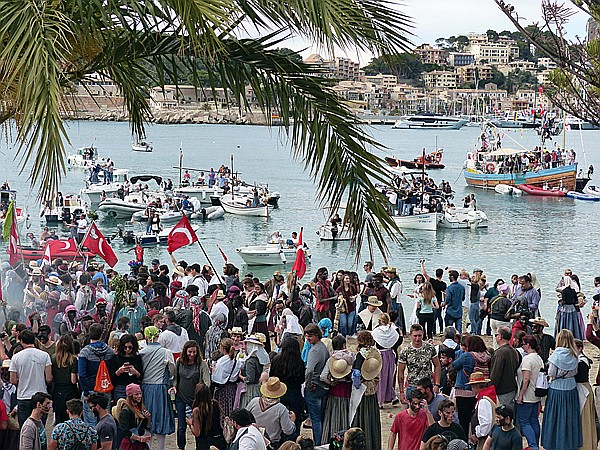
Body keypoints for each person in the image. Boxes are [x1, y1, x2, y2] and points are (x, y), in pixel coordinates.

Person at [541, 329, 582, 450]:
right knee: (569, 417)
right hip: (570, 387)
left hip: (557, 388)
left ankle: (554, 443)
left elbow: (551, 372)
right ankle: (569, 443)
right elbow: (575, 371)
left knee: (555, 416)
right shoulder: (574, 354)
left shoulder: (556, 355)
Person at [139, 326, 176, 450]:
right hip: (160, 388)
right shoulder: (166, 352)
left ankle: (147, 448)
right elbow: (172, 370)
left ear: (146, 336)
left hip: (145, 389)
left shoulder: (141, 352)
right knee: (160, 421)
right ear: (158, 336)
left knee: (146, 421)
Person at [9, 329, 52, 427]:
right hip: (41, 396)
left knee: (25, 428)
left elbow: (12, 380)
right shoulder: (45, 355)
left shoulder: (15, 357)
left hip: (23, 396)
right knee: (40, 428)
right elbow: (49, 378)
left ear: (22, 341)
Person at [175, 340, 210, 450]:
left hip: (195, 400)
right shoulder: (179, 362)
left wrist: (202, 390)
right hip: (181, 397)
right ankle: (181, 447)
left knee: (197, 425)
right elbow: (175, 378)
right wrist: (173, 387)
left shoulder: (201, 364)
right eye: (189, 352)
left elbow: (207, 381)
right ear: (185, 351)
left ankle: (198, 447)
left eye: (194, 352)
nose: (192, 354)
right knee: (181, 426)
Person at [78, 323, 115, 426]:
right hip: (105, 388)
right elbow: (112, 372)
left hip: (90, 389)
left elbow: (82, 374)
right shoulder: (109, 351)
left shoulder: (85, 352)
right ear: (101, 335)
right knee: (105, 418)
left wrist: (85, 392)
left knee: (90, 423)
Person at [351, 331, 382, 450]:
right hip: (372, 387)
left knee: (362, 417)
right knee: (372, 418)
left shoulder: (360, 355)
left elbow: (356, 375)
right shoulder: (374, 353)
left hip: (362, 389)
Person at [269, 336, 305, 438]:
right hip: (295, 393)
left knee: (279, 420)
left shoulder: (276, 360)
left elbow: (272, 377)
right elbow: (302, 379)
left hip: (279, 393)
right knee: (295, 421)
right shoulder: (300, 363)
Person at [397, 324, 441, 404]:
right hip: (413, 386)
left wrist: (437, 384)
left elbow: (437, 365)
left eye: (420, 336)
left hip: (427, 386)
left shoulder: (430, 348)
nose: (417, 339)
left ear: (423, 334)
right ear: (410, 336)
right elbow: (400, 371)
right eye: (415, 336)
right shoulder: (405, 351)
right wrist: (401, 391)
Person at [246, 377, 296, 447]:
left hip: (253, 439)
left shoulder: (254, 402)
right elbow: (288, 431)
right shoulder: (281, 409)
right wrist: (292, 421)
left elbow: (245, 418)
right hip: (271, 443)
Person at [515, 334, 543, 450]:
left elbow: (526, 379)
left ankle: (532, 445)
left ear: (528, 345)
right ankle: (535, 443)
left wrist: (520, 395)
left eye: (523, 344)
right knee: (534, 420)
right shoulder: (539, 358)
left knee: (524, 421)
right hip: (536, 394)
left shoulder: (527, 359)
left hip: (527, 395)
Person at [303, 323, 330, 446]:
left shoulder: (314, 350)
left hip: (314, 387)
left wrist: (308, 385)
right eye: (306, 335)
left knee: (315, 419)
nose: (308, 338)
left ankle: (318, 444)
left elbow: (309, 370)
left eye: (310, 336)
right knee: (321, 417)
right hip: (323, 386)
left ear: (317, 335)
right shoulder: (323, 347)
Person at [372, 313, 400, 408]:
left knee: (381, 377)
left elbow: (374, 341)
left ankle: (381, 400)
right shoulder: (393, 330)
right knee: (390, 376)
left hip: (380, 354)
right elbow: (398, 340)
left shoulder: (377, 331)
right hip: (391, 354)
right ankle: (392, 395)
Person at [211, 338, 242, 425]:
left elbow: (216, 378)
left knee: (223, 411)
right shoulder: (237, 361)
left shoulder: (221, 361)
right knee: (232, 409)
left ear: (223, 349)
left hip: (223, 390)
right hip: (233, 389)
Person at [185, 384, 225, 450]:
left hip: (204, 443)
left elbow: (197, 432)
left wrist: (190, 424)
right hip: (219, 440)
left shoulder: (197, 410)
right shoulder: (215, 404)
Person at [488, 326, 520, 409]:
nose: (495, 337)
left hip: (502, 390)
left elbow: (495, 374)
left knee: (502, 413)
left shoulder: (500, 353)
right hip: (511, 387)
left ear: (500, 336)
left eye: (496, 335)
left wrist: (490, 388)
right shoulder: (514, 351)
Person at [51, 334, 79, 424]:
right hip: (70, 391)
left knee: (59, 419)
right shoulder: (73, 360)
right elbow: (73, 380)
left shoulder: (53, 358)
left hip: (57, 390)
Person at [574, 337, 597, 450]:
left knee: (585, 419)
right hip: (582, 388)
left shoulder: (581, 361)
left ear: (580, 348)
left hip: (583, 389)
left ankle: (585, 445)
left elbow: (580, 377)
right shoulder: (581, 360)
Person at [238, 334, 269, 409]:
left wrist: (240, 376)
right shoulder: (258, 359)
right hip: (257, 388)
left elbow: (250, 379)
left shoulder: (250, 361)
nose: (244, 347)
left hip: (250, 390)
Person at [109, 334, 144, 402]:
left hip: (134, 387)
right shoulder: (116, 358)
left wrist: (135, 372)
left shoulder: (137, 358)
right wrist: (119, 371)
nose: (127, 350)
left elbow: (141, 376)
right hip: (120, 387)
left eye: (130, 347)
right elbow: (112, 377)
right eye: (125, 347)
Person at [117, 384, 151, 450]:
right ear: (130, 396)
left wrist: (148, 418)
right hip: (130, 445)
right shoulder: (126, 412)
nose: (139, 396)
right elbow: (125, 431)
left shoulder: (140, 409)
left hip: (140, 444)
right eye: (136, 394)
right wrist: (139, 438)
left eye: (140, 393)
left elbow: (146, 427)